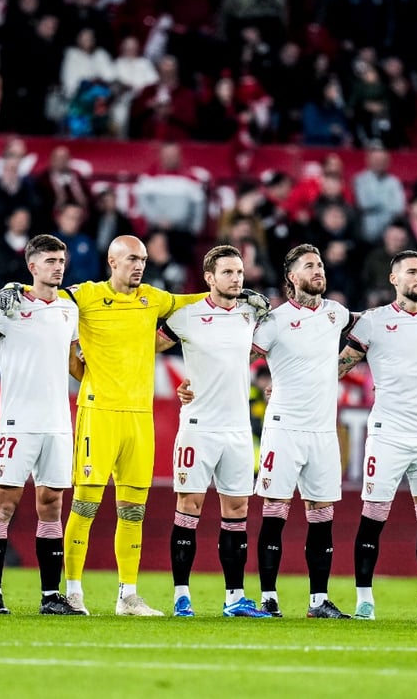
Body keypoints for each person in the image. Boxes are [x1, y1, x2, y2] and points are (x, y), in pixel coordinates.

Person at [0, 236, 263, 615]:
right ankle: (72, 592)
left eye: (144, 259)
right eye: (132, 259)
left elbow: (200, 301)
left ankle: (128, 595)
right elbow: (45, 289)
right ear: (112, 261)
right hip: (99, 412)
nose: (139, 265)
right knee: (85, 506)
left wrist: (244, 295)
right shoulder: (85, 295)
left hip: (139, 416)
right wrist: (12, 288)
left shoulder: (154, 298)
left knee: (133, 510)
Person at [0, 235, 85, 616]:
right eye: (50, 260)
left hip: (58, 422)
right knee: (3, 505)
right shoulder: (10, 306)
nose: (58, 266)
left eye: (61, 260)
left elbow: (75, 364)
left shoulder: (69, 310)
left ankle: (50, 597)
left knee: (52, 505)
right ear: (32, 266)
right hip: (17, 423)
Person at [337, 250, 417, 622]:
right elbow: (340, 367)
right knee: (373, 516)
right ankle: (365, 601)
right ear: (394, 279)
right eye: (411, 271)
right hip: (388, 431)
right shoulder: (373, 323)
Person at [156, 246, 271, 619]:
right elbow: (148, 346)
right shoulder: (186, 317)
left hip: (238, 429)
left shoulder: (249, 313)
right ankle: (181, 596)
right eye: (228, 272)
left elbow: (247, 353)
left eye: (239, 272)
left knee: (237, 511)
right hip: (198, 427)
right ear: (209, 277)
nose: (237, 278)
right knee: (188, 508)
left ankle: (234, 597)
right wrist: (182, 386)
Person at [250, 244, 353, 619]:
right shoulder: (274, 321)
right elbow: (242, 356)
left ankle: (318, 601)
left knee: (321, 513)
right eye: (310, 266)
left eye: (321, 264)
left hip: (323, 431)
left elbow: (373, 327)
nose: (319, 270)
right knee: (275, 509)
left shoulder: (337, 314)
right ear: (293, 277)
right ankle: (268, 598)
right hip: (284, 429)